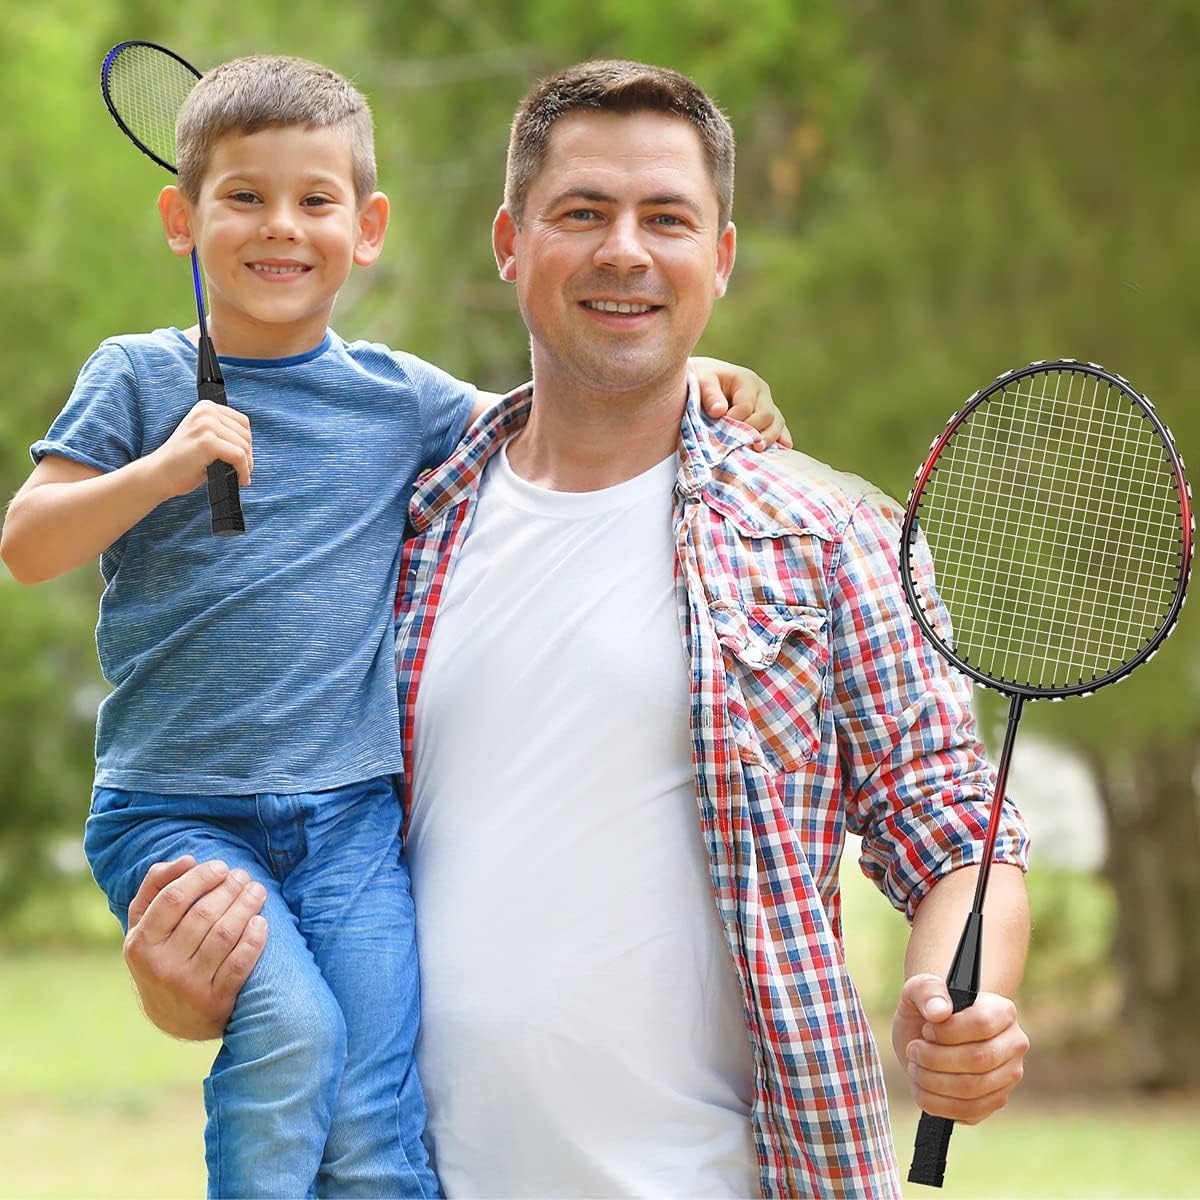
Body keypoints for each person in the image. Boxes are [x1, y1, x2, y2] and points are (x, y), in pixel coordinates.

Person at [110, 59, 1032, 1199]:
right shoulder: (405, 512)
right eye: (582, 213)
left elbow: (958, 834)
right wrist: (182, 985)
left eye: (667, 220)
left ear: (722, 257)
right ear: (511, 241)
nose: (625, 251)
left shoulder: (832, 538)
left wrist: (966, 1005)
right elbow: (299, 849)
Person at [0, 55, 788, 1200]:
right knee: (294, 1036)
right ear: (182, 218)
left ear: (366, 229)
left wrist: (683, 361)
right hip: (180, 803)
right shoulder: (137, 376)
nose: (282, 227)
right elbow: (28, 543)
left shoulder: (397, 398)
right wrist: (163, 472)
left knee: (374, 1114)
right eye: (244, 197)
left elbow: (550, 411)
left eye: (315, 201)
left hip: (350, 821)